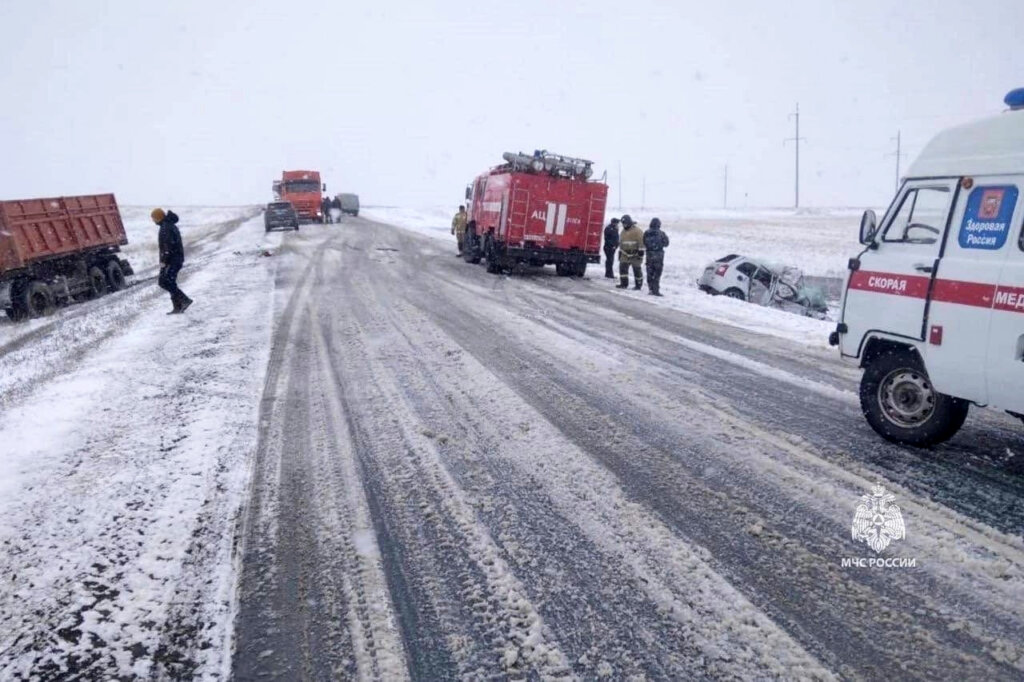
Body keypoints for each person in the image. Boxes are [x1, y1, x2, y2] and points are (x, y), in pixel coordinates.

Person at [152, 208, 192, 314]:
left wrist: (164, 261)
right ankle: (178, 306)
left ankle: (184, 300)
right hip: (174, 259)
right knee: (168, 282)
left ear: (158, 217)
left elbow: (167, 247)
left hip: (172, 260)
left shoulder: (166, 227)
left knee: (165, 282)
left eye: (153, 218)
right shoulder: (167, 225)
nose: (153, 220)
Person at [643, 217, 670, 296]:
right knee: (657, 274)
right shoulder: (661, 233)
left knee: (650, 273)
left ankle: (651, 288)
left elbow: (644, 242)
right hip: (658, 256)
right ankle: (655, 290)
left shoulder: (646, 233)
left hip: (649, 255)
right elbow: (666, 243)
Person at [617, 214, 644, 290]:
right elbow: (621, 242)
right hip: (625, 253)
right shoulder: (622, 232)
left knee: (637, 269)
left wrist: (641, 251)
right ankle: (623, 284)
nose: (624, 225)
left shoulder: (637, 231)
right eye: (623, 224)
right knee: (623, 268)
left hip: (635, 254)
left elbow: (641, 241)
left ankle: (638, 285)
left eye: (625, 224)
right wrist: (620, 252)